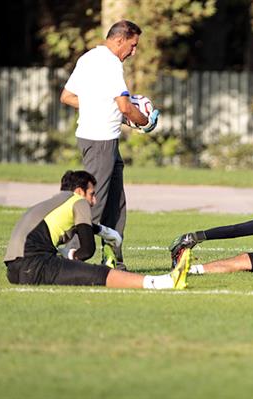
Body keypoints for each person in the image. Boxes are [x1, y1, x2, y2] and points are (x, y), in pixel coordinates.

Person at [60, 20, 160, 270]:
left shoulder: (88, 58)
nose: (134, 51)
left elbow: (67, 97)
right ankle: (70, 254)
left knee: (117, 202)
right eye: (133, 45)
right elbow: (126, 107)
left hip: (103, 139)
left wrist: (100, 106)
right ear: (119, 40)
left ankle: (113, 256)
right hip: (100, 140)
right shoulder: (111, 64)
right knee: (96, 200)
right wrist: (145, 122)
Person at [4, 170, 189, 290]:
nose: (94, 201)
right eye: (92, 194)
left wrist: (105, 233)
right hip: (34, 265)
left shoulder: (53, 203)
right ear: (79, 191)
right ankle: (165, 281)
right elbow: (87, 250)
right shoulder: (78, 202)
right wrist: (73, 258)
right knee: (98, 273)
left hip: (15, 270)